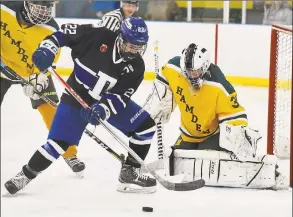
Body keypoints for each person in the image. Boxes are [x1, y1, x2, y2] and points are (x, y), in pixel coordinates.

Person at [4, 17, 157, 195]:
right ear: (120, 37)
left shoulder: (137, 66)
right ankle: (24, 175)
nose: (134, 51)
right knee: (58, 142)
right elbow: (61, 35)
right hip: (76, 95)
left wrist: (103, 109)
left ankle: (130, 172)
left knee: (145, 127)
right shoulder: (98, 36)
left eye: (139, 47)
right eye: (131, 45)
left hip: (103, 102)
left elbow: (120, 96)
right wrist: (47, 50)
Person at [147, 43, 286, 189]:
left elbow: (235, 115)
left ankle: (271, 173)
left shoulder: (219, 85)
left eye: (196, 71)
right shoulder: (173, 68)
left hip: (212, 135)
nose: (191, 76)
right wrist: (162, 98)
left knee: (206, 162)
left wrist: (238, 138)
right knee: (175, 159)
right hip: (188, 133)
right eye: (188, 71)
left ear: (205, 66)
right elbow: (164, 75)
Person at [0, 1, 85, 175]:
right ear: (27, 3)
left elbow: (48, 60)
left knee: (52, 111)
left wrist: (39, 77)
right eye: (40, 7)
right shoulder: (3, 8)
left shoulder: (51, 29)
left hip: (31, 72)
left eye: (47, 8)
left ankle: (69, 153)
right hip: (3, 68)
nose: (44, 13)